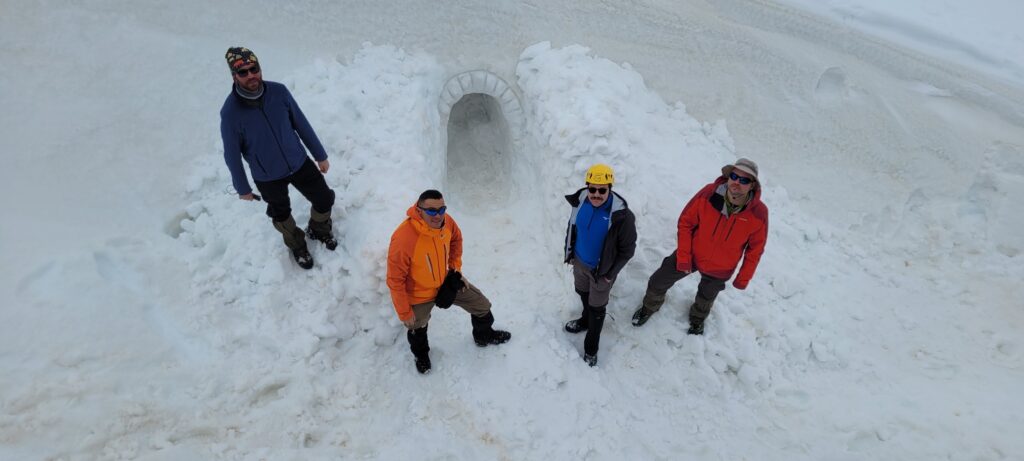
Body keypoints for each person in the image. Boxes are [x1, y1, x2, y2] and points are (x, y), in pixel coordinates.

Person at [220, 46, 337, 270]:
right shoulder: (231, 113)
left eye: (253, 68)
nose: (250, 75)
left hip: (298, 161)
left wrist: (319, 155)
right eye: (242, 72)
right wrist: (242, 187)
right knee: (281, 214)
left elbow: (301, 124)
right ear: (234, 76)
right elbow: (231, 154)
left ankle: (319, 229)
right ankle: (297, 244)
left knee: (324, 199)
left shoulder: (279, 92)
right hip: (267, 175)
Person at [631, 158, 768, 335]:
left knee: (706, 297)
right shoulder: (709, 194)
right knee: (658, 280)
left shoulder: (758, 213)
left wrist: (743, 278)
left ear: (752, 185)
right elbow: (686, 222)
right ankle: (649, 307)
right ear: (728, 177)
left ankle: (697, 319)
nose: (737, 182)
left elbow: (755, 250)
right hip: (693, 254)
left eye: (744, 180)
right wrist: (684, 257)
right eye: (734, 176)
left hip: (721, 267)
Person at [386, 190, 511, 374]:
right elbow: (395, 280)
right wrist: (404, 312)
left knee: (482, 305)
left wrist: (454, 271)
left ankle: (483, 335)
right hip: (418, 293)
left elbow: (456, 239)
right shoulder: (404, 238)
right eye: (431, 211)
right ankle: (421, 354)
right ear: (419, 210)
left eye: (441, 209)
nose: (437, 215)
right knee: (416, 326)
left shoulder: (446, 222)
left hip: (444, 281)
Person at [562, 164, 637, 366]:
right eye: (592, 189)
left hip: (601, 272)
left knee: (597, 310)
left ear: (610, 188)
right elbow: (572, 229)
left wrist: (610, 274)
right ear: (587, 187)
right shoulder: (580, 203)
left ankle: (591, 349)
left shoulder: (621, 216)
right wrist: (569, 253)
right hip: (579, 263)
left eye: (602, 190)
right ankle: (584, 320)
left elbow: (627, 250)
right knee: (582, 293)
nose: (596, 194)